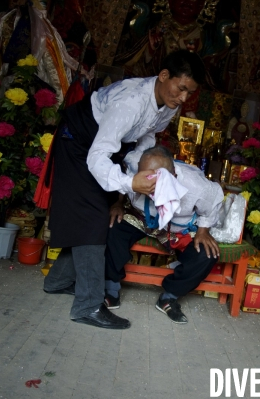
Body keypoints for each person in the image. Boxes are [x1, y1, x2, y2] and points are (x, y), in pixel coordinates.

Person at [42, 50, 206, 330]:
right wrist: (130, 182)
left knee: (101, 217)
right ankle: (88, 306)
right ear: (164, 76)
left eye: (188, 93)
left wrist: (142, 168)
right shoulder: (130, 102)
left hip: (108, 152)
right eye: (181, 88)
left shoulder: (168, 105)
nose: (182, 98)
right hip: (79, 146)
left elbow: (147, 138)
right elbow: (97, 156)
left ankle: (57, 281)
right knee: (93, 218)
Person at [104, 146, 224, 324]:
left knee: (207, 254)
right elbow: (121, 180)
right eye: (145, 178)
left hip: (178, 227)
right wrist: (118, 203)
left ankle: (169, 297)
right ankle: (111, 290)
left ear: (174, 177)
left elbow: (215, 200)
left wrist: (203, 229)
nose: (149, 184)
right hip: (143, 217)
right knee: (113, 228)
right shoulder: (132, 164)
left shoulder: (197, 187)